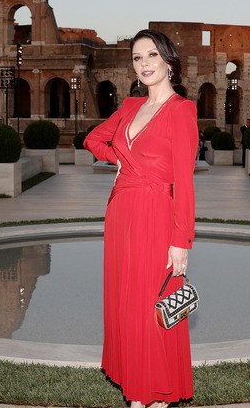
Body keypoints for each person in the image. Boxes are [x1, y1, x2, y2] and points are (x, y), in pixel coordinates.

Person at [84, 29, 197, 407]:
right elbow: (93, 141)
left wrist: (181, 241)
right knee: (126, 307)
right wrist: (121, 161)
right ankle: (137, 386)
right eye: (137, 58)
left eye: (151, 56)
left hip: (156, 215)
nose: (145, 64)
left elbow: (185, 181)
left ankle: (157, 393)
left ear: (168, 61)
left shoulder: (183, 110)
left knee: (152, 305)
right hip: (120, 213)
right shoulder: (130, 107)